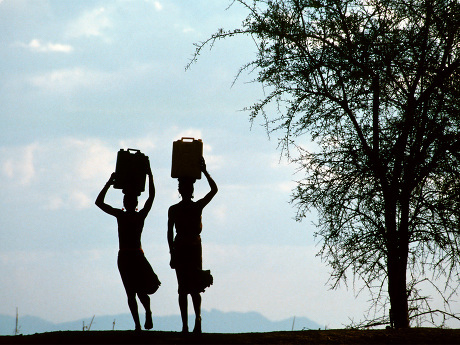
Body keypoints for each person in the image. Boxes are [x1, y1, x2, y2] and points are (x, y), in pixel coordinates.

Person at [95, 161, 160, 332]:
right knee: (133, 291)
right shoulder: (129, 215)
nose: (129, 201)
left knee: (136, 291)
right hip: (129, 256)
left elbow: (99, 202)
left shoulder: (127, 215)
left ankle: (144, 317)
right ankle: (139, 323)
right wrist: (149, 175)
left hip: (130, 256)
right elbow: (99, 203)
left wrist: (110, 183)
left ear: (132, 202)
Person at [167, 157, 218, 334]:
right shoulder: (176, 209)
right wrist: (172, 252)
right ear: (181, 190)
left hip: (190, 248)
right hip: (183, 247)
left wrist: (204, 171)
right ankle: (187, 324)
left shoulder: (195, 207)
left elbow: (214, 190)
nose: (186, 190)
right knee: (184, 288)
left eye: (188, 187)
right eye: (184, 187)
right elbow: (169, 232)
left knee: (192, 287)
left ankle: (194, 320)